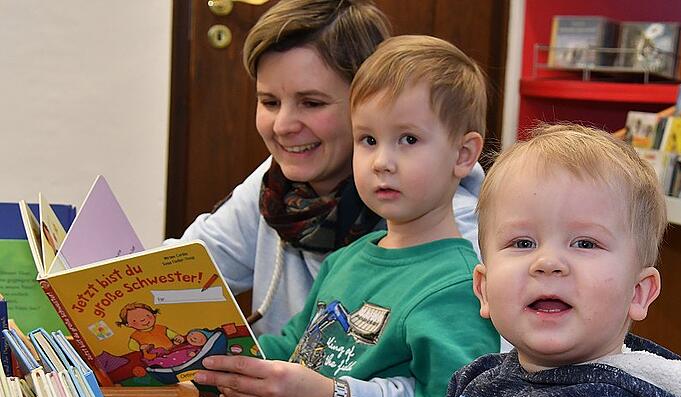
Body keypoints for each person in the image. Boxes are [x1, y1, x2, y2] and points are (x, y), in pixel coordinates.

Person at [228, 123, 681, 397]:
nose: (548, 263)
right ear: (482, 289)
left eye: (586, 244)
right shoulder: (481, 378)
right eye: (522, 243)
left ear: (639, 293)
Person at [198, 34, 500, 397]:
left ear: (463, 155)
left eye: (408, 139)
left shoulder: (459, 287)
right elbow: (292, 347)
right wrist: (216, 357)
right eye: (368, 140)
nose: (382, 162)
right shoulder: (347, 259)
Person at [170, 0, 485, 338]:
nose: (284, 126)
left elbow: (467, 376)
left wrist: (329, 393)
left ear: (370, 100)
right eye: (269, 102)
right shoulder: (276, 189)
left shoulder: (452, 227)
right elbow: (181, 276)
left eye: (312, 103)